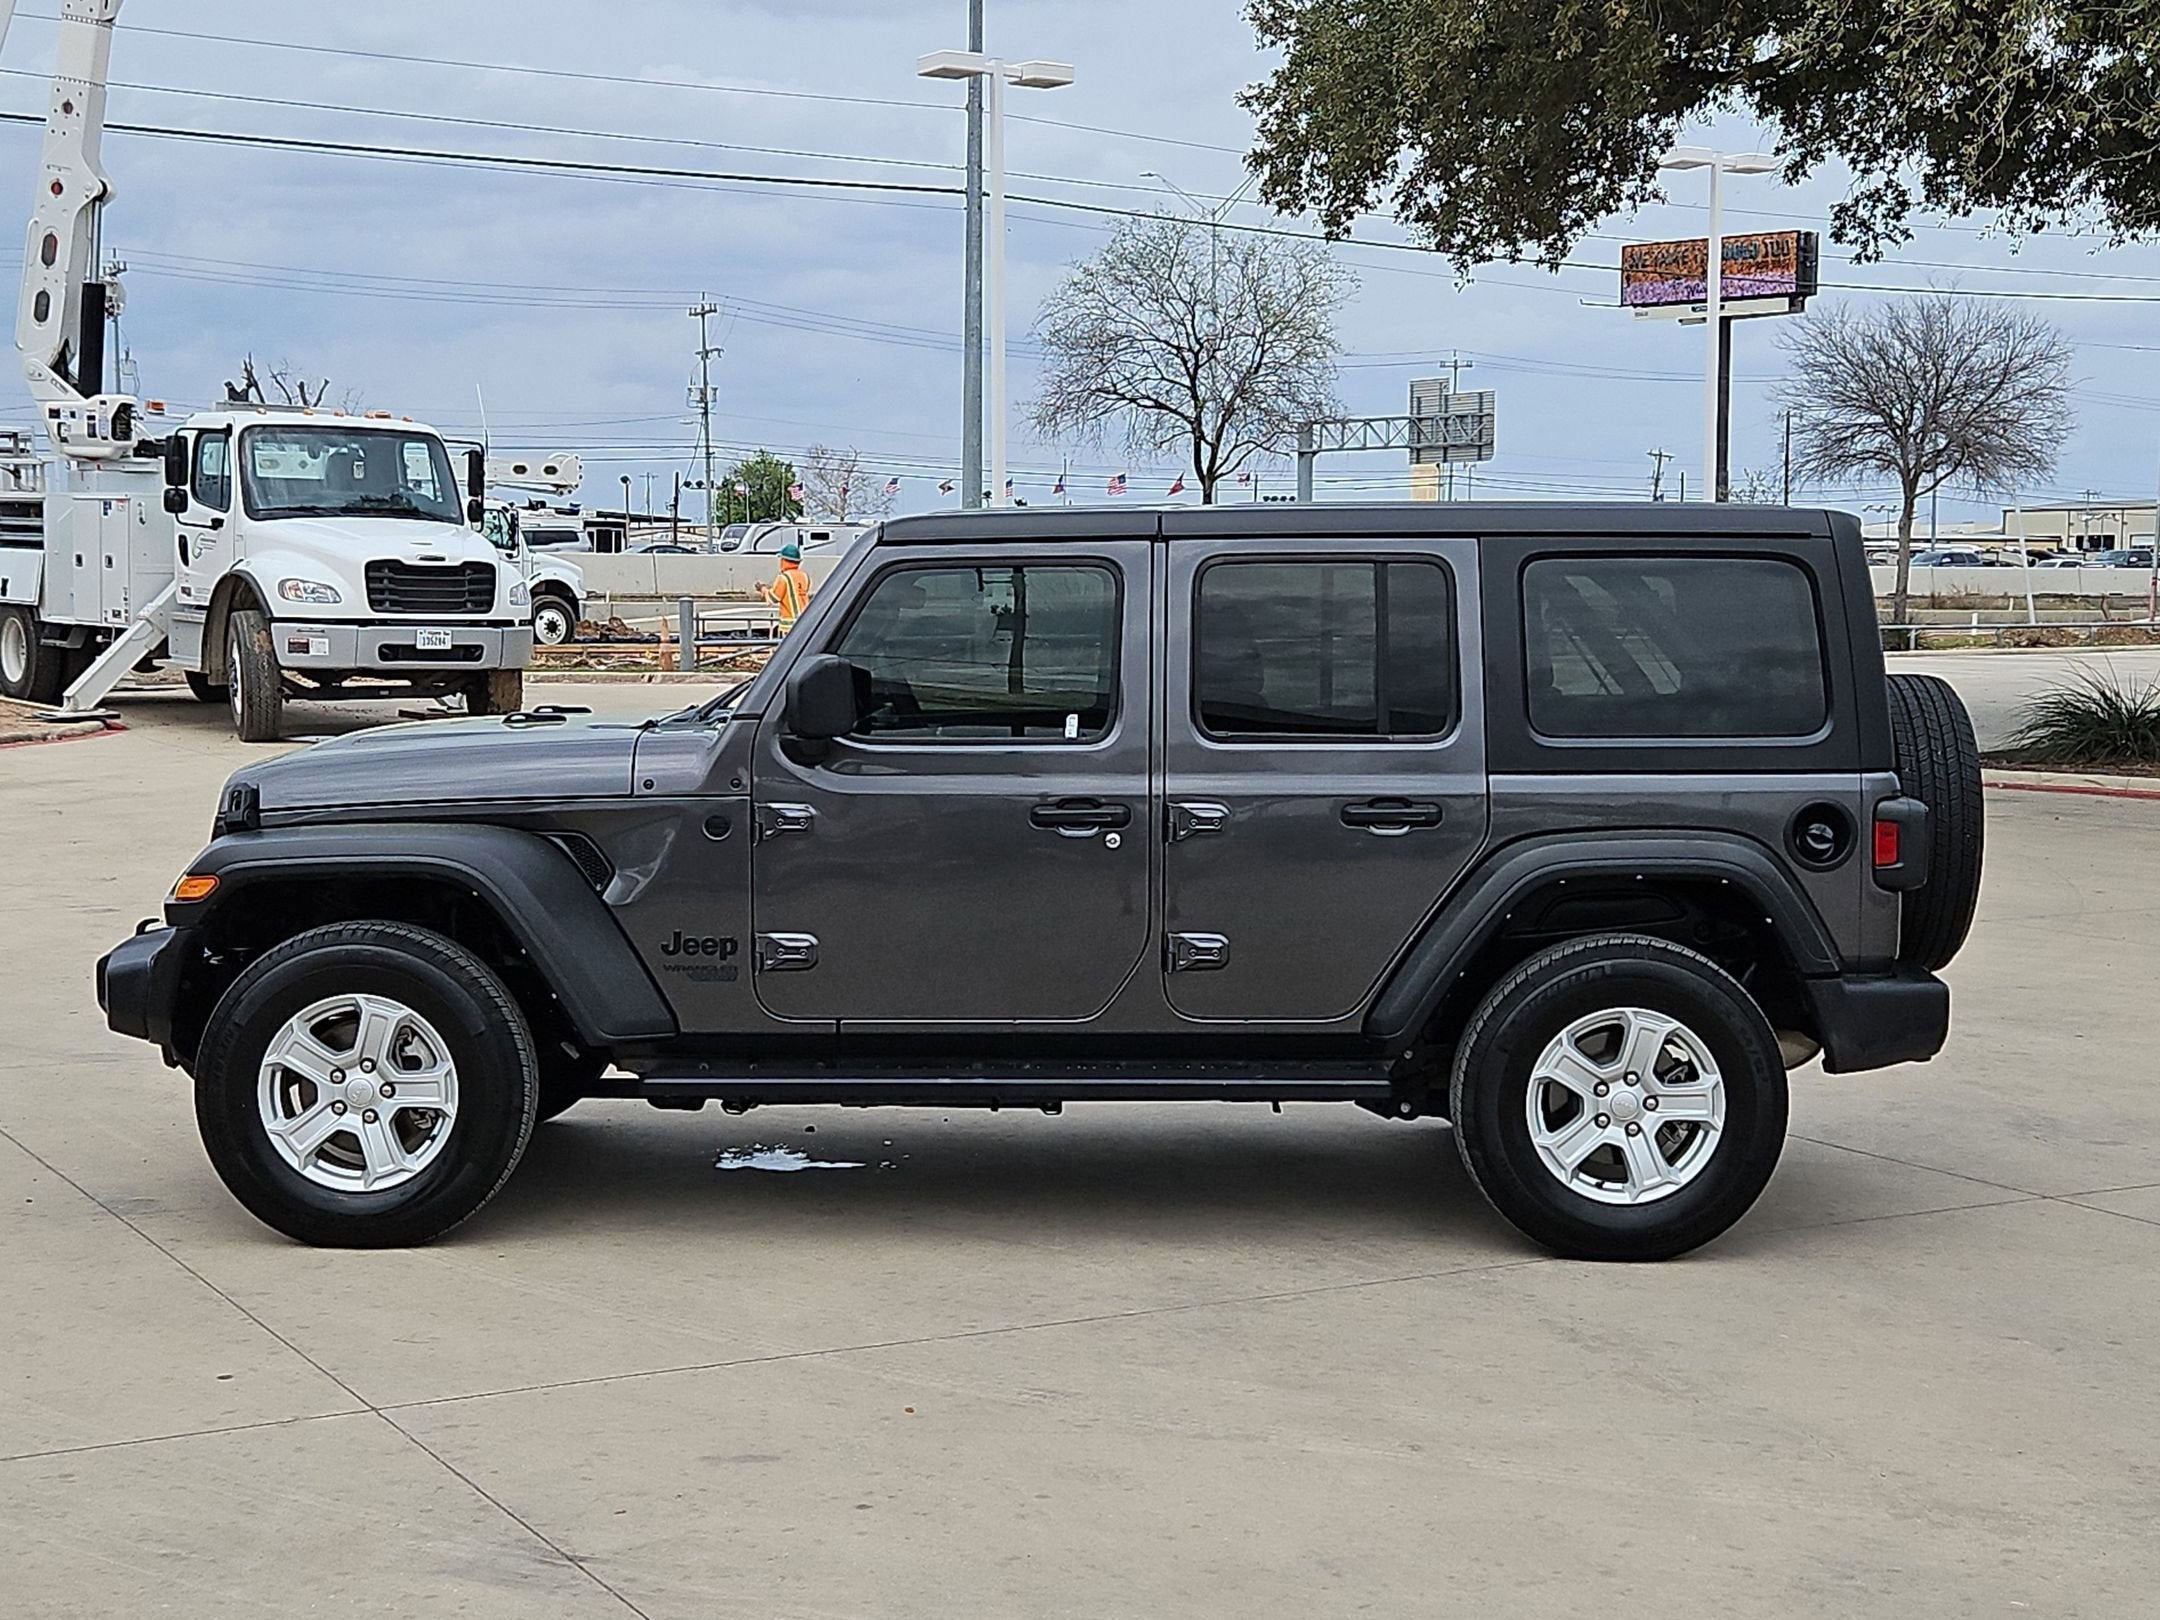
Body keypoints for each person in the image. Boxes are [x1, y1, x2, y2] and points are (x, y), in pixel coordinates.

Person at [762, 541, 812, 632]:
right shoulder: (805, 576)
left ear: (784, 561)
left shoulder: (784, 578)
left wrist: (764, 590)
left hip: (789, 626)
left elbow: (772, 600)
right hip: (805, 622)